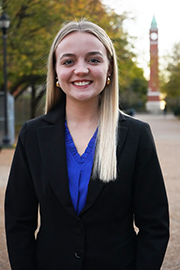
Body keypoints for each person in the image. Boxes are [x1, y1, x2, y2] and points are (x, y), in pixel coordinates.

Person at [5, 19, 169, 270]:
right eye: (68, 61)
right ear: (56, 71)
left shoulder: (137, 135)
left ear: (109, 68)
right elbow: (18, 223)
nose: (81, 70)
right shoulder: (32, 135)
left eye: (93, 59)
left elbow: (154, 225)